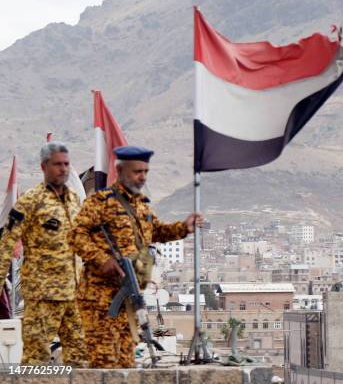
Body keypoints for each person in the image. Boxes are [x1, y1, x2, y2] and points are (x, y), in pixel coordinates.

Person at [68, 145, 203, 368]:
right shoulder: (100, 202)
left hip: (129, 298)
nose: (142, 177)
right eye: (136, 171)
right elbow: (75, 235)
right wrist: (103, 260)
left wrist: (183, 228)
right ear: (120, 171)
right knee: (104, 364)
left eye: (145, 172)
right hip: (100, 300)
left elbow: (157, 231)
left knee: (126, 362)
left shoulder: (141, 207)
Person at [0, 142, 87, 366]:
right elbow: (6, 244)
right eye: (57, 164)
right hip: (42, 296)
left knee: (79, 359)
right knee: (35, 361)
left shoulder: (75, 201)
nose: (63, 169)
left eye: (66, 164)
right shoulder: (29, 202)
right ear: (44, 166)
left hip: (73, 294)